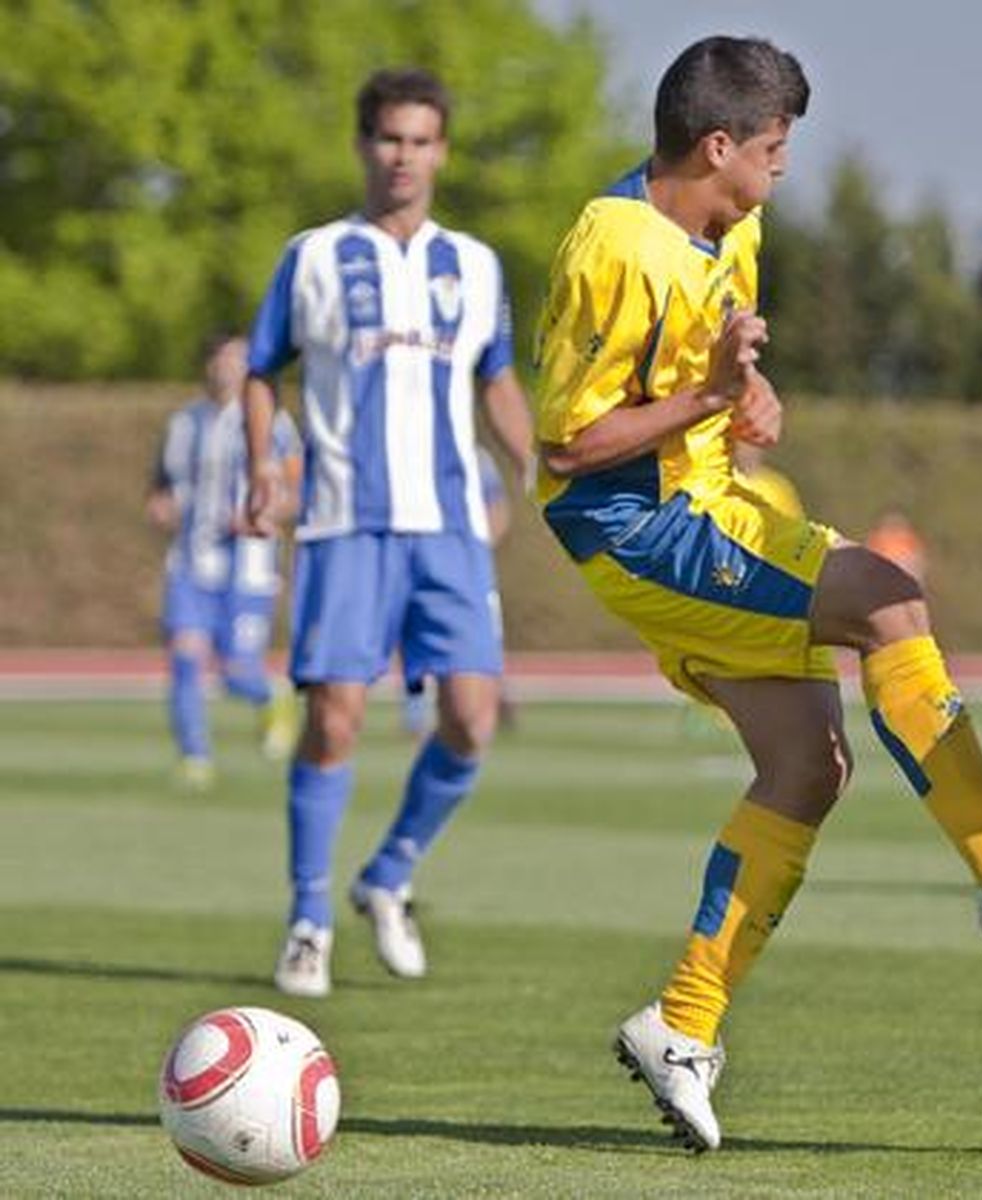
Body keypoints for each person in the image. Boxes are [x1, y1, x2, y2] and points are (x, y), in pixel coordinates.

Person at [532, 35, 982, 1153]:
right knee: (884, 592)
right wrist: (709, 400)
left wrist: (745, 395)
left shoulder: (735, 225)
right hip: (633, 521)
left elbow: (705, 376)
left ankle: (681, 1022)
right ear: (717, 145)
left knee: (807, 768)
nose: (782, 169)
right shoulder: (614, 246)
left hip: (706, 498)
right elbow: (574, 444)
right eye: (772, 149)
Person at [243, 66, 533, 999]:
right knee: (332, 721)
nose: (404, 156)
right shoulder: (315, 256)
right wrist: (260, 466)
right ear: (363, 145)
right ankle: (307, 919)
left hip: (447, 527)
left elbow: (495, 378)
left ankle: (391, 874)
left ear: (442, 151)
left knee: (472, 718)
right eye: (389, 139)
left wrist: (535, 462)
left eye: (421, 140)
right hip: (342, 524)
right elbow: (260, 369)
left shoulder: (477, 264)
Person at [148, 332, 300, 789]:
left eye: (237, 360)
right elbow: (160, 487)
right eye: (220, 359)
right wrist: (160, 506)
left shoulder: (275, 424)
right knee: (186, 657)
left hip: (249, 567)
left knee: (236, 670)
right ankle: (195, 756)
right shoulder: (184, 423)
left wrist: (262, 511)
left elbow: (297, 492)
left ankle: (272, 697)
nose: (226, 368)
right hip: (191, 563)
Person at [402, 445, 515, 739]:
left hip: (467, 564)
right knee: (416, 633)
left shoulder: (477, 457)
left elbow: (498, 509)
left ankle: (494, 696)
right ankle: (417, 708)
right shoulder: (407, 453)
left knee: (483, 632)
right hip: (423, 560)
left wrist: (474, 549)